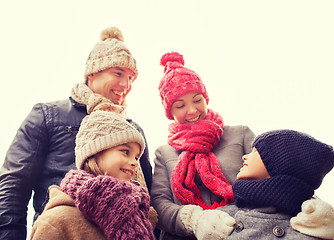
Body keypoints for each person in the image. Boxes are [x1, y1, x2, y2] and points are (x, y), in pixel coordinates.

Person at [0, 26, 152, 240]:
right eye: (118, 73)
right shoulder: (48, 115)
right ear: (93, 72)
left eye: (131, 78)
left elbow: (149, 197)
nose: (125, 85)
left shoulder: (134, 131)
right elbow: (13, 186)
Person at [150, 51, 256, 239]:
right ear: (170, 111)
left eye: (197, 100)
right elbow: (159, 203)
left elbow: (272, 177)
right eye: (180, 105)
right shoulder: (164, 153)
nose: (192, 111)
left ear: (205, 98)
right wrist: (195, 221)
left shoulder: (240, 134)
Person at [180, 129, 334, 239]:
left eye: (255, 152)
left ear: (282, 163)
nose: (245, 157)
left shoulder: (313, 226)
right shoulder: (220, 220)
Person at [30, 110, 155, 240]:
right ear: (95, 152)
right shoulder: (55, 221)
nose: (135, 163)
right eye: (125, 151)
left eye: (136, 157)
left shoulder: (137, 213)